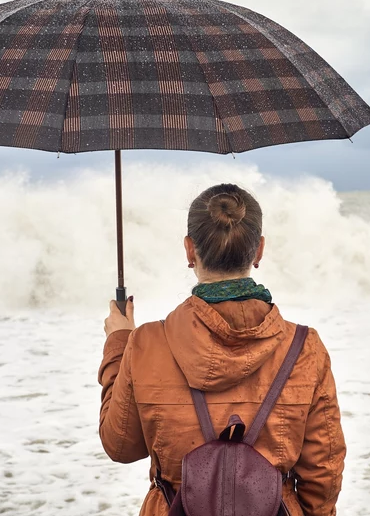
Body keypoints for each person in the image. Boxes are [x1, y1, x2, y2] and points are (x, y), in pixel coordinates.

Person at [98, 183, 346, 516]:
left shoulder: (146, 343)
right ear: (258, 250)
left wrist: (119, 343)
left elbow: (121, 445)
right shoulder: (304, 347)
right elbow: (323, 473)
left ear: (189, 250)